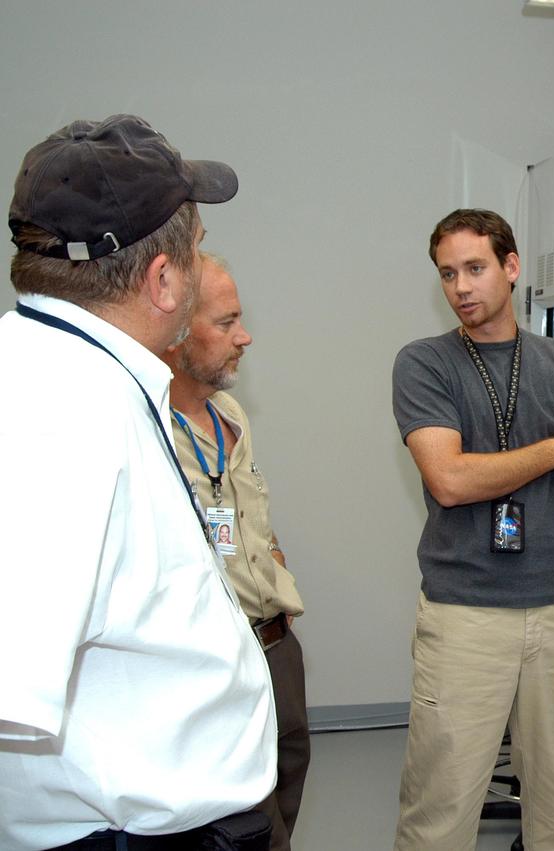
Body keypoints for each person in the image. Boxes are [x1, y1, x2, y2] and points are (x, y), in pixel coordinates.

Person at [0, 115, 275, 851]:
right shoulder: (61, 412)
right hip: (120, 833)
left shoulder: (73, 372)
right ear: (161, 280)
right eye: (196, 252)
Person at [391, 208, 554, 850]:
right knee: (442, 806)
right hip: (466, 614)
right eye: (448, 274)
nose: (461, 287)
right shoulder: (425, 364)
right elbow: (450, 479)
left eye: (475, 268)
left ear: (511, 267)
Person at [161, 253, 310, 851]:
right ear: (175, 330)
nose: (243, 337)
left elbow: (249, 515)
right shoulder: (147, 429)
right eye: (226, 323)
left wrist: (276, 572)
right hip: (214, 657)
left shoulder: (230, 414)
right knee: (247, 820)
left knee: (289, 776)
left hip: (275, 643)